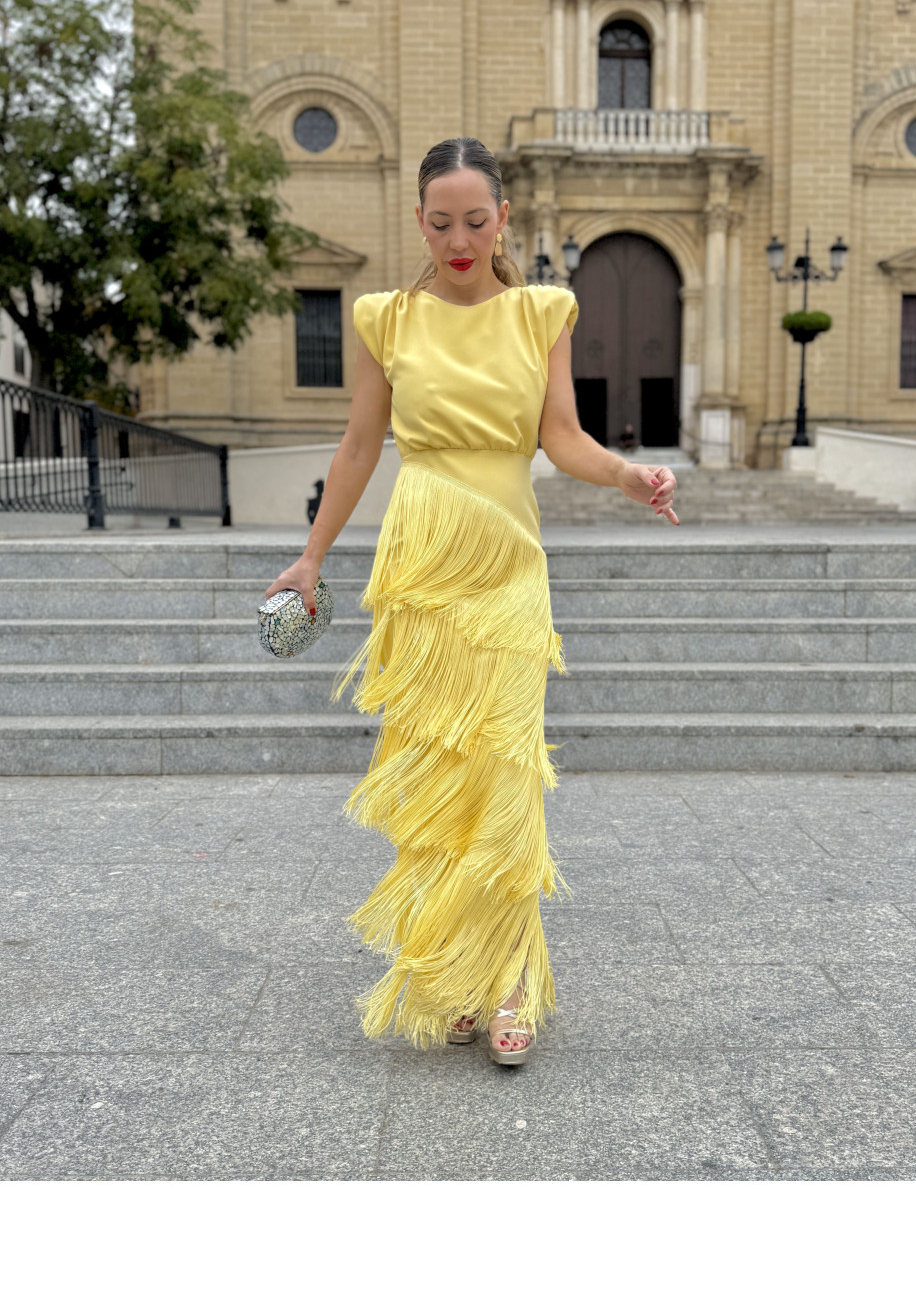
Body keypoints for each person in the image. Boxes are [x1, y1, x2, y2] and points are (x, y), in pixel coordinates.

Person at [265, 137, 678, 1066]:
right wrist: (311, 556)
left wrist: (625, 476)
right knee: (440, 787)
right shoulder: (387, 319)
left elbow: (562, 439)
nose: (458, 238)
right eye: (440, 221)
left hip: (506, 565)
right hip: (423, 565)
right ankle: (456, 972)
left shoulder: (541, 312)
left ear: (503, 223)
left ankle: (512, 983)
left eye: (476, 220)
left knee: (503, 779)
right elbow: (360, 448)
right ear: (419, 221)